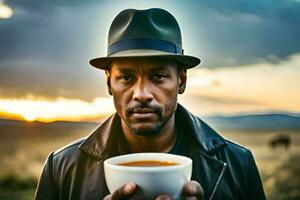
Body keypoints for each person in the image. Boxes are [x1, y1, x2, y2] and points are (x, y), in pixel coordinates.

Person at [35, 8, 266, 200]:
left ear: (181, 81)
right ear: (109, 83)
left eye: (158, 76)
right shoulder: (62, 168)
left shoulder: (237, 165)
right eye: (126, 77)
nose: (142, 94)